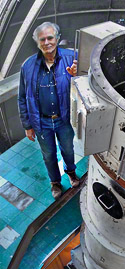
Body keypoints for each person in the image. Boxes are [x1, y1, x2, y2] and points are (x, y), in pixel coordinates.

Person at [18, 22, 79, 199]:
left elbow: (87, 85)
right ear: (37, 42)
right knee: (49, 155)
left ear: (57, 39)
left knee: (68, 149)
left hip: (64, 119)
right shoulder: (28, 66)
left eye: (50, 38)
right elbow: (22, 97)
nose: (47, 42)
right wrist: (27, 125)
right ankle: (55, 183)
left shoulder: (72, 58)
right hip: (41, 122)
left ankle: (71, 173)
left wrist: (78, 76)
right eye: (42, 39)